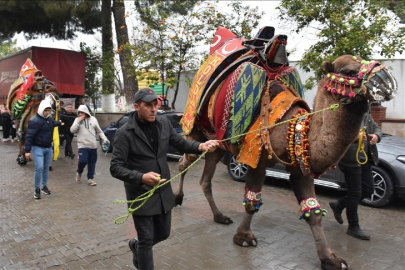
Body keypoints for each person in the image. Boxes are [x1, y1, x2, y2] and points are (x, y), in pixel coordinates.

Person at [110, 88, 219, 270]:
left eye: (155, 105)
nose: (153, 109)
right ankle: (141, 250)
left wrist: (201, 145)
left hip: (163, 192)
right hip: (140, 195)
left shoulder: (163, 123)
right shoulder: (124, 133)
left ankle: (136, 246)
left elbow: (181, 143)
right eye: (147, 106)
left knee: (163, 233)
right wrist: (141, 177)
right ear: (137, 107)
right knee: (146, 240)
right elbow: (115, 168)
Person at [329, 109, 382, 240]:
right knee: (355, 192)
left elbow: (375, 126)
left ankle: (339, 204)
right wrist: (355, 138)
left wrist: (376, 136)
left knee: (368, 189)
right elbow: (337, 135)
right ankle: (353, 226)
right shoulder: (345, 112)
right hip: (350, 160)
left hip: (364, 158)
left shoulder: (365, 110)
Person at [24, 100, 63, 199]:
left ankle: (44, 186)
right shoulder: (34, 121)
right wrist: (27, 151)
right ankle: (37, 189)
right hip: (38, 148)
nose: (47, 112)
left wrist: (59, 123)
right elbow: (29, 136)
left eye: (49, 110)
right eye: (46, 110)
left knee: (46, 168)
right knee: (39, 167)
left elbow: (52, 123)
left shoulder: (49, 119)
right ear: (41, 110)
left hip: (48, 147)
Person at [70, 104, 108, 186]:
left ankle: (90, 179)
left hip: (93, 146)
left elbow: (99, 131)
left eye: (82, 112)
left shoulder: (93, 119)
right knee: (83, 161)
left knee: (92, 163)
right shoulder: (77, 120)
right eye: (79, 112)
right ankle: (79, 171)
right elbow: (72, 130)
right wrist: (78, 122)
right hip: (82, 146)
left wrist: (104, 139)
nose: (80, 114)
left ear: (86, 112)